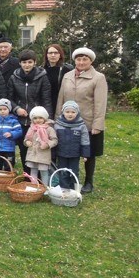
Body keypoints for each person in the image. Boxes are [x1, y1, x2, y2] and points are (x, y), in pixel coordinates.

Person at [56, 47, 107, 193]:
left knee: (88, 152)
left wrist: (97, 124)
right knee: (66, 152)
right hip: (66, 122)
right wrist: (57, 119)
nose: (81, 62)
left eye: (85, 59)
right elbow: (61, 98)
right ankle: (66, 180)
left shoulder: (98, 78)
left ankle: (88, 181)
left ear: (91, 61)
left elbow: (100, 103)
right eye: (78, 59)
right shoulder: (67, 76)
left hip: (88, 122)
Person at [7, 49, 52, 173]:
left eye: (30, 62)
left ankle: (40, 175)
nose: (27, 65)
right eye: (24, 62)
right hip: (21, 120)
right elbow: (9, 98)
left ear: (35, 62)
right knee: (24, 148)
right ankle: (27, 175)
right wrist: (17, 109)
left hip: (37, 121)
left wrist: (46, 119)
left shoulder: (42, 77)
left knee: (38, 147)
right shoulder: (14, 78)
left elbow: (46, 99)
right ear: (20, 63)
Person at [54, 101, 90, 190]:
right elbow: (54, 139)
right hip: (61, 153)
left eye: (73, 112)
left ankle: (74, 187)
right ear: (63, 112)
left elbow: (85, 140)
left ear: (77, 113)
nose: (70, 114)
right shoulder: (57, 125)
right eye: (67, 112)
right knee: (62, 171)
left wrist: (85, 154)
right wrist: (53, 152)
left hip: (75, 154)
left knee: (74, 171)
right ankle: (64, 187)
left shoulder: (81, 126)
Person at [23, 106, 58, 185]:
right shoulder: (31, 128)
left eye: (40, 118)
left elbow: (54, 140)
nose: (37, 120)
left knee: (44, 172)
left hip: (43, 155)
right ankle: (34, 186)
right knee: (33, 171)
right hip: (33, 154)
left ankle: (44, 188)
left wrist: (47, 144)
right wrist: (27, 142)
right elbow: (26, 139)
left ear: (44, 118)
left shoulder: (49, 129)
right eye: (35, 118)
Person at [0, 99, 23, 171]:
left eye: (5, 109)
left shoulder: (13, 121)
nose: (2, 111)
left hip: (9, 149)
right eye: (0, 109)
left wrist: (12, 134)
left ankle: (7, 180)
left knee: (8, 166)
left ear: (9, 109)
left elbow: (19, 131)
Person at [42, 44, 73, 109]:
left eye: (56, 53)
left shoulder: (67, 69)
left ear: (60, 55)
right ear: (46, 55)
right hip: (45, 103)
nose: (53, 55)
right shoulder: (41, 70)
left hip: (62, 103)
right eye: (50, 53)